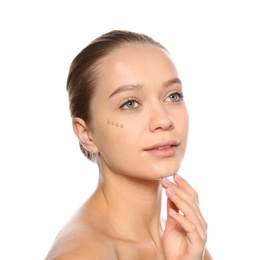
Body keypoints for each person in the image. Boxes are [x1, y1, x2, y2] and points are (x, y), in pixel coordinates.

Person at [45, 30, 212, 260]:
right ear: (87, 134)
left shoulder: (185, 239)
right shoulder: (83, 254)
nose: (164, 120)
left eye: (173, 96)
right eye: (130, 103)